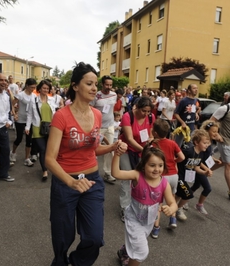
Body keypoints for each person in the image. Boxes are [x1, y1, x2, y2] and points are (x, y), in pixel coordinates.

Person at [45, 62, 123, 266]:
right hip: (65, 183)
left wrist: (112, 147)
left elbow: (92, 149)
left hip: (92, 182)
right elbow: (49, 159)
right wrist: (71, 183)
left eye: (95, 84)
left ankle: (76, 262)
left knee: (94, 238)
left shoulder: (97, 115)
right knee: (63, 237)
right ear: (75, 86)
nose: (94, 88)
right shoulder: (61, 116)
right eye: (89, 83)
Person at [111, 144, 178, 266]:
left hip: (149, 221)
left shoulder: (164, 183)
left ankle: (124, 251)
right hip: (133, 219)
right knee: (141, 251)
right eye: (152, 165)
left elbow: (173, 203)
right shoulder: (137, 175)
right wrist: (117, 155)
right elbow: (116, 173)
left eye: (160, 165)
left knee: (136, 242)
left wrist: (171, 208)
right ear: (143, 165)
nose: (156, 169)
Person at [119, 96, 155, 222]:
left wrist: (150, 141)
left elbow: (150, 134)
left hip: (141, 150)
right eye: (143, 111)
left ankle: (139, 203)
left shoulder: (150, 117)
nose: (145, 114)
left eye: (148, 111)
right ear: (137, 107)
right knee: (127, 178)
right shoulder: (128, 116)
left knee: (141, 178)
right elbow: (129, 139)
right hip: (126, 149)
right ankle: (125, 208)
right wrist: (143, 150)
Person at [150, 120, 184, 239]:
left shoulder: (154, 144)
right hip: (174, 175)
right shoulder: (172, 143)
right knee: (172, 199)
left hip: (162, 176)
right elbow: (182, 157)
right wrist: (174, 161)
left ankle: (156, 228)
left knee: (158, 202)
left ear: (154, 132)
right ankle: (173, 219)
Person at [175, 129, 212, 221]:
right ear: (196, 142)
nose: (207, 145)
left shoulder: (201, 154)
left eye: (208, 143)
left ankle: (171, 209)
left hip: (185, 178)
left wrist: (205, 172)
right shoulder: (188, 151)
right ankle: (177, 209)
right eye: (204, 143)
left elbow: (196, 167)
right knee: (189, 194)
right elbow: (176, 158)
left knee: (179, 195)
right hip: (179, 176)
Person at [26, 79, 57, 181]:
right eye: (44, 88)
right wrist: (27, 127)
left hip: (50, 127)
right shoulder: (33, 100)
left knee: (50, 150)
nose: (45, 89)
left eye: (47, 88)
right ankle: (45, 171)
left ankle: (50, 166)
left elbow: (56, 114)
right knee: (42, 149)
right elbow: (30, 114)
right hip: (37, 127)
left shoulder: (52, 100)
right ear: (39, 88)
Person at [90, 75, 117, 183]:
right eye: (107, 84)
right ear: (102, 84)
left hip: (110, 126)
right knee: (93, 150)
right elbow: (90, 109)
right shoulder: (96, 95)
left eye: (110, 85)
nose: (109, 87)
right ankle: (91, 172)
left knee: (109, 150)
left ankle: (107, 173)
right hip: (98, 127)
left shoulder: (114, 95)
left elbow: (112, 109)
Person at [10, 78, 37, 167]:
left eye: (34, 87)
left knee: (29, 140)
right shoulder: (20, 95)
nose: (33, 89)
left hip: (30, 120)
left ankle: (26, 158)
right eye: (31, 87)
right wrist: (14, 114)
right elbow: (12, 105)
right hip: (20, 119)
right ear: (27, 86)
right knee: (19, 138)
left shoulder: (34, 96)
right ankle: (13, 153)